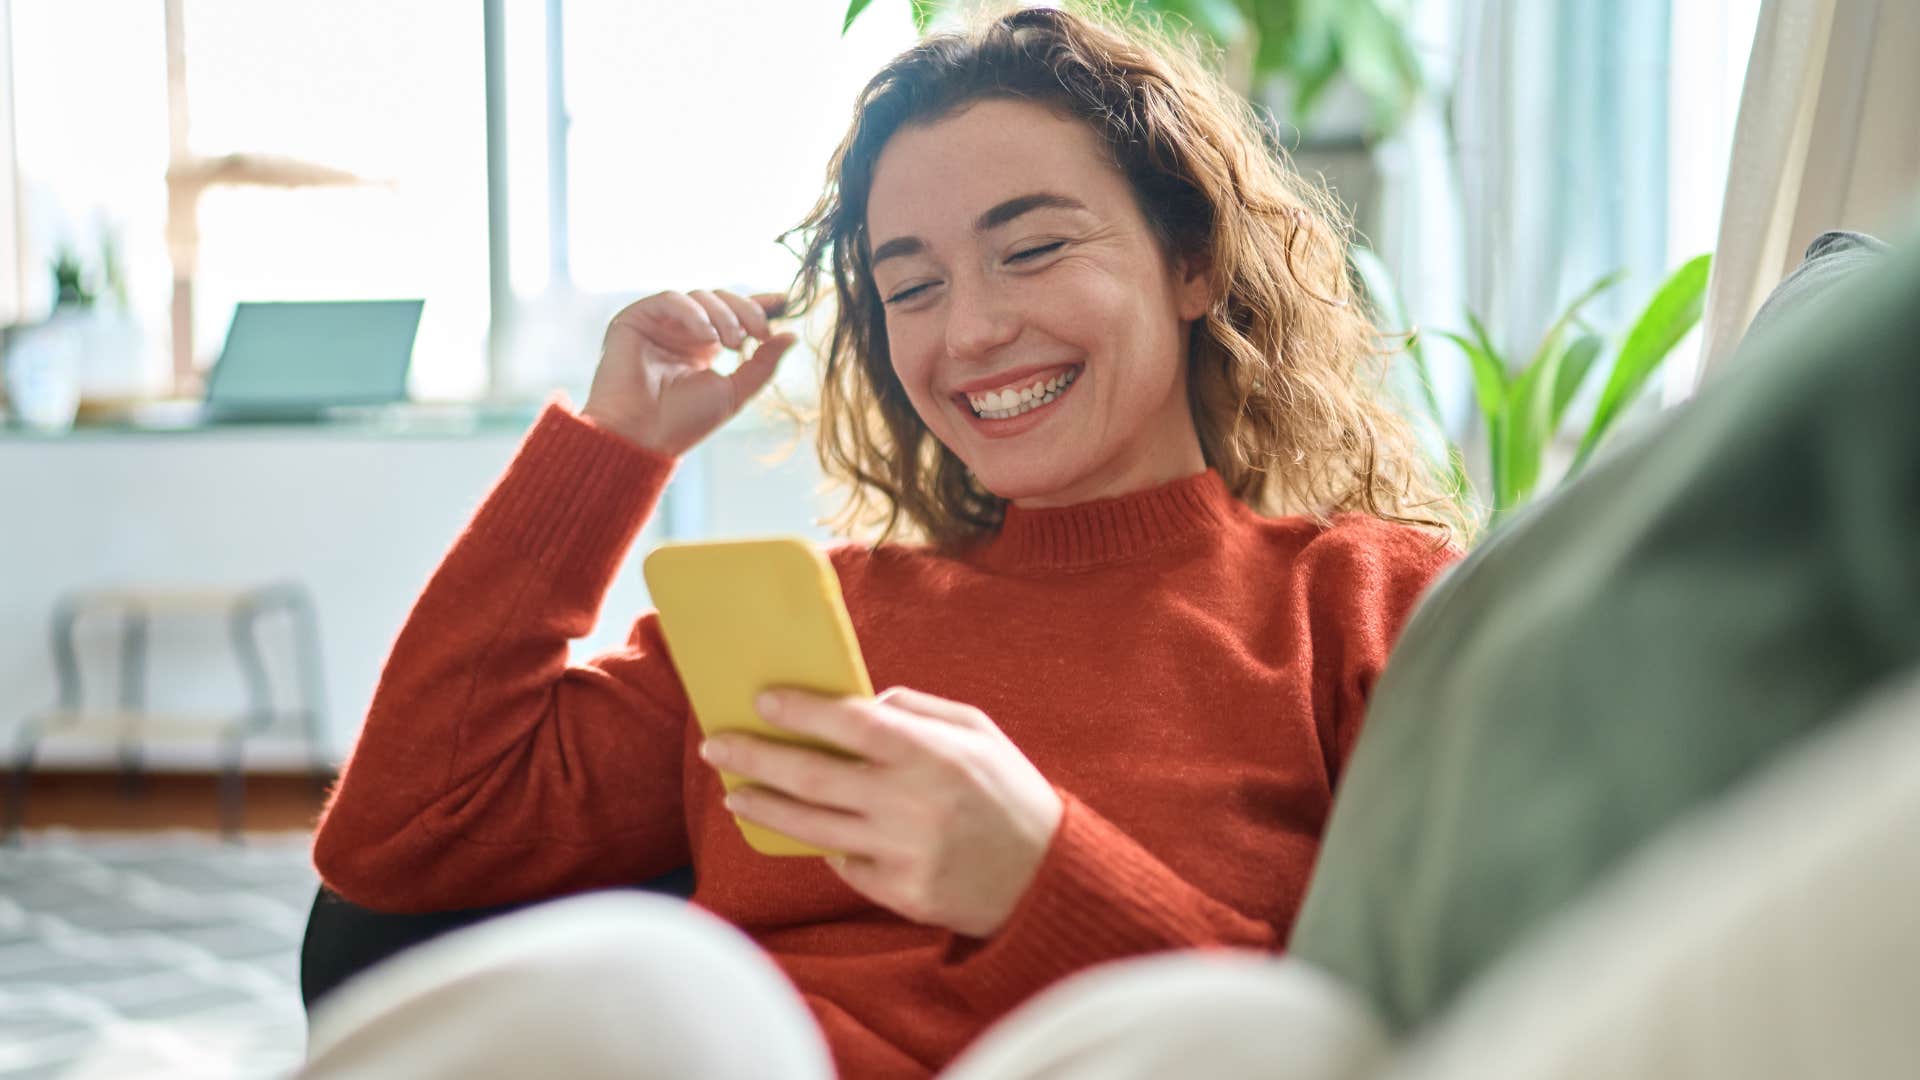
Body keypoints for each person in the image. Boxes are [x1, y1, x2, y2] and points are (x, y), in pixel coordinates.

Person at [305, 8, 1462, 1078]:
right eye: (912, 286)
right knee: (649, 983)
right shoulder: (811, 626)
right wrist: (612, 449)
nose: (971, 331)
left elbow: (1421, 1028)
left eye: (1034, 249)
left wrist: (1038, 879)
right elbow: (401, 840)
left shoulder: (1364, 604)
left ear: (1193, 260)